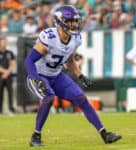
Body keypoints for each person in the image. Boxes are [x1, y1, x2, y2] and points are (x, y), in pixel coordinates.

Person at [25, 5, 122, 147]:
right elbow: (29, 61)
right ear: (60, 21)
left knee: (81, 98)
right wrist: (36, 79)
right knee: (49, 97)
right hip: (38, 75)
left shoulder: (75, 38)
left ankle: (104, 134)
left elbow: (70, 61)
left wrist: (80, 75)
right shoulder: (49, 37)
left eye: (75, 21)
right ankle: (36, 136)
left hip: (56, 75)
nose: (74, 24)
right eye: (70, 21)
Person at [0, 35, 16, 113]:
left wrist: (7, 72)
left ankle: (11, 109)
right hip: (1, 76)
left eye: (5, 41)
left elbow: (13, 64)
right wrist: (4, 72)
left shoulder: (10, 53)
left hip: (8, 76)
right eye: (3, 41)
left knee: (10, 93)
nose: (4, 43)